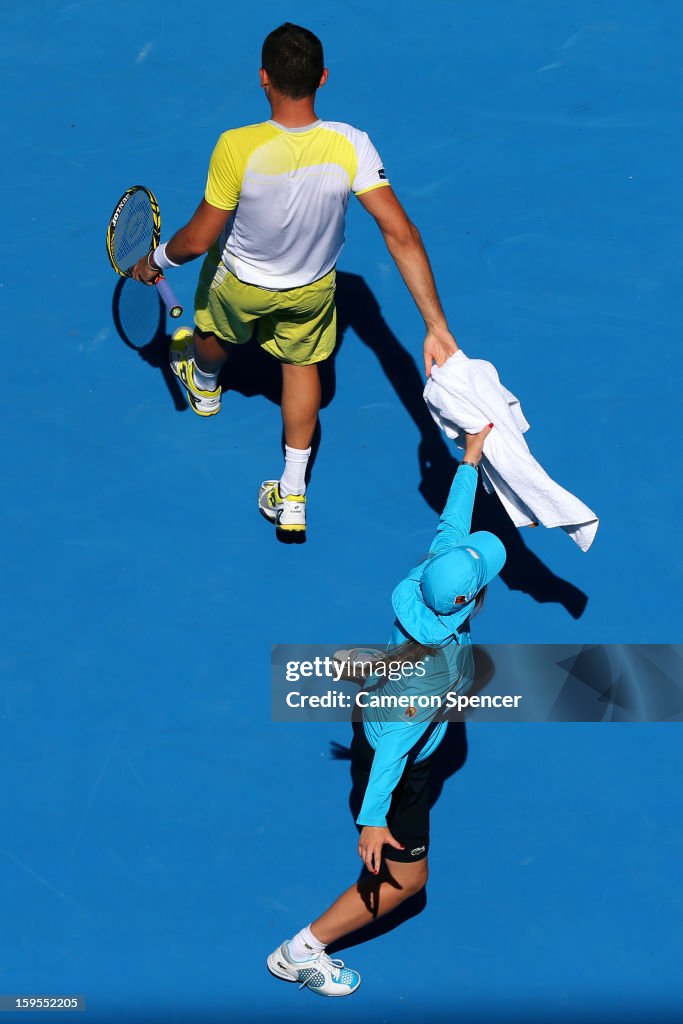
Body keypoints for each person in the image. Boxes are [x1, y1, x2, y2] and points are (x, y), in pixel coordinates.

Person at [131, 22, 458, 534]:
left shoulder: (236, 147)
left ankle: (207, 385)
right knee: (301, 367)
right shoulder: (353, 145)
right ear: (322, 78)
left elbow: (197, 240)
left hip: (239, 284)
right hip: (311, 291)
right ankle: (294, 492)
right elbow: (402, 234)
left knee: (213, 333)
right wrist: (436, 326)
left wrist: (155, 263)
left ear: (263, 78)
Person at [266, 424, 506, 996]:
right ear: (468, 601)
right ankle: (300, 952)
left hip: (380, 698)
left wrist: (470, 459)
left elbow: (453, 523)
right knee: (407, 882)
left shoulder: (432, 575)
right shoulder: (431, 678)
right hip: (397, 752)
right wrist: (374, 817)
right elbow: (396, 749)